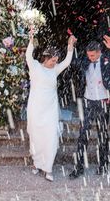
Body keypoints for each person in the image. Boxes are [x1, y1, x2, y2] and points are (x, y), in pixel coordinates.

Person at [68, 35, 110, 179]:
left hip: (103, 102)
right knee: (83, 135)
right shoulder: (85, 61)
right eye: (89, 55)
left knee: (102, 135)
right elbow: (73, 63)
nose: (91, 58)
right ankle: (79, 167)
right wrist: (70, 47)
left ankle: (103, 164)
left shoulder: (108, 60)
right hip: (88, 102)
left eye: (93, 55)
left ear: (99, 52)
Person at [26, 28, 77, 182]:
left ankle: (48, 168)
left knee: (51, 137)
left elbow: (67, 62)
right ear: (45, 58)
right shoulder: (34, 66)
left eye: (56, 61)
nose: (55, 63)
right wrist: (31, 39)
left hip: (50, 109)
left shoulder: (55, 70)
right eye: (52, 60)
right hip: (35, 107)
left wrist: (70, 47)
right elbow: (28, 54)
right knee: (35, 137)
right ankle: (36, 164)